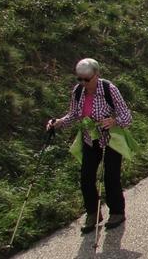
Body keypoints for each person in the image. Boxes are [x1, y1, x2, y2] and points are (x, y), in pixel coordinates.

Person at [47, 58, 132, 233]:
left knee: (110, 176)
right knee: (86, 177)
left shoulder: (109, 89)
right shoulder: (78, 92)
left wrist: (114, 121)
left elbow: (127, 116)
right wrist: (58, 123)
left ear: (96, 75)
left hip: (110, 139)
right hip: (89, 139)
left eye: (87, 79)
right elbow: (73, 114)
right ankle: (93, 212)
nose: (83, 83)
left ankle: (117, 211)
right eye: (80, 79)